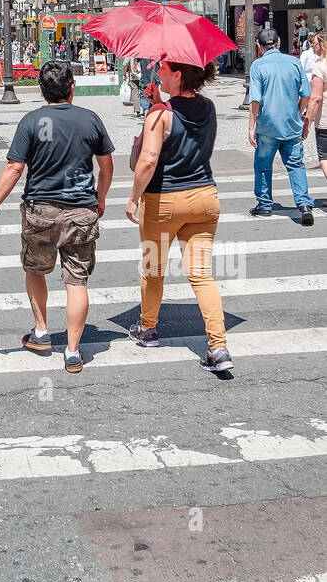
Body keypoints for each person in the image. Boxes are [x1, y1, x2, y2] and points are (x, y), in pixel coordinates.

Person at [0, 60, 114, 375]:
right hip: (82, 211)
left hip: (40, 211)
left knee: (35, 270)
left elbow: (14, 168)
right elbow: (107, 167)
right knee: (76, 281)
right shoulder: (90, 120)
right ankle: (72, 351)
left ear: (43, 90)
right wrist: (101, 199)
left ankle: (41, 331)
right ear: (72, 88)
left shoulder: (31, 121)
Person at [125, 58, 233, 373]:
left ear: (177, 75)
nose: (155, 72)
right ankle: (218, 346)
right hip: (204, 199)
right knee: (201, 275)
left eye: (161, 68)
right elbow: (185, 132)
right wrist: (159, 103)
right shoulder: (209, 107)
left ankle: (147, 329)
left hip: (164, 203)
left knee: (153, 269)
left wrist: (132, 199)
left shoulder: (160, 115)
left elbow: (147, 160)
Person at [248, 27, 314, 224]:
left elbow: (255, 100)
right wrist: (299, 113)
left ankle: (265, 204)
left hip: (267, 126)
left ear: (259, 47)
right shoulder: (294, 62)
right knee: (295, 165)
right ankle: (303, 204)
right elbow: (307, 94)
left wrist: (251, 126)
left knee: (262, 166)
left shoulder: (258, 66)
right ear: (278, 43)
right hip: (291, 124)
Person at [305, 34, 327, 193]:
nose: (313, 46)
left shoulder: (320, 66)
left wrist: (308, 120)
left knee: (325, 158)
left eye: (315, 44)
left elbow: (316, 98)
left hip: (325, 119)